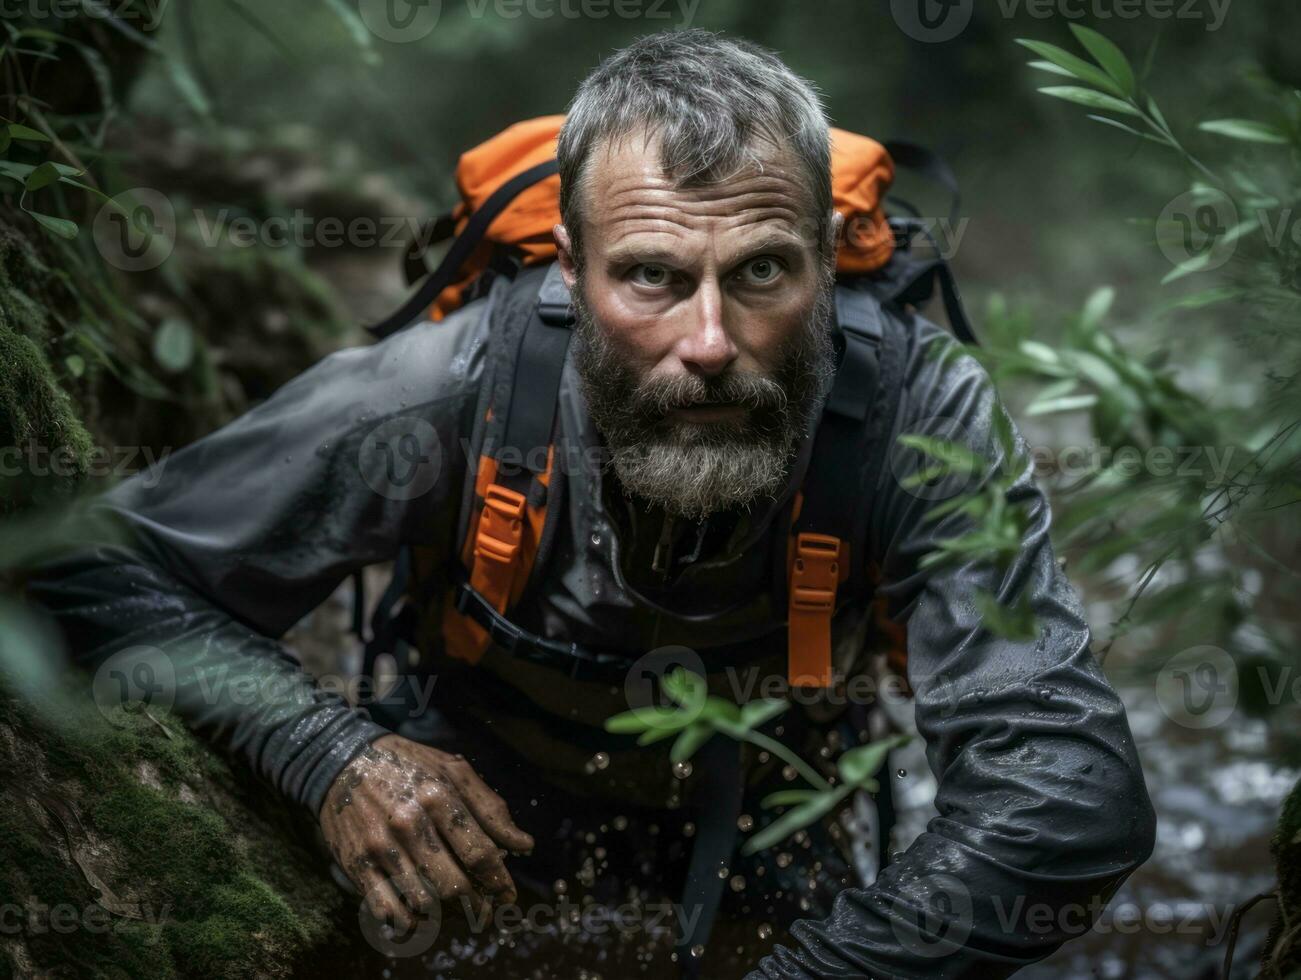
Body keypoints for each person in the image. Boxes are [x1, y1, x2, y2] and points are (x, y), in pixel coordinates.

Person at [27, 30, 1156, 979]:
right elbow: (82, 563)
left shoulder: (918, 412)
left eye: (762, 272)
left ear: (822, 257)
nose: (708, 344)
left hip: (773, 812)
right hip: (474, 796)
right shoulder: (444, 389)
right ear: (569, 267)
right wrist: (329, 753)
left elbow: (1069, 792)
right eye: (651, 276)